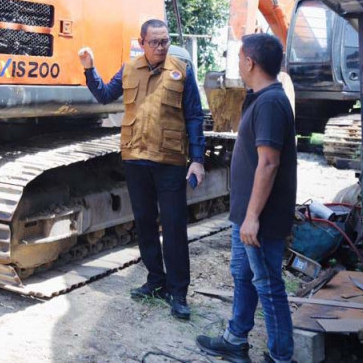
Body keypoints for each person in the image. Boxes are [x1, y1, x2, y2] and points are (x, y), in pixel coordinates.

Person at [79, 19, 205, 320]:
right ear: (142, 42)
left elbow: (194, 117)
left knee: (174, 227)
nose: (161, 47)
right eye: (155, 42)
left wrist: (198, 159)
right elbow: (105, 95)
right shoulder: (129, 69)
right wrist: (89, 68)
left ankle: (178, 292)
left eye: (165, 41)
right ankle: (155, 281)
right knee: (145, 223)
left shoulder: (182, 71)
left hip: (170, 160)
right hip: (135, 158)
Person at [197, 33, 297, 363]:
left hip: (261, 218)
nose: (238, 63)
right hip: (246, 214)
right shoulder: (260, 97)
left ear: (250, 62)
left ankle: (281, 357)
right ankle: (235, 339)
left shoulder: (270, 103)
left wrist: (253, 217)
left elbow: (269, 163)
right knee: (243, 274)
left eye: (240, 58)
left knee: (268, 284)